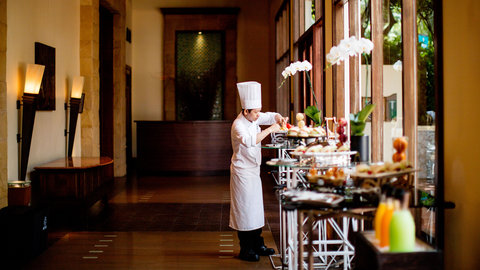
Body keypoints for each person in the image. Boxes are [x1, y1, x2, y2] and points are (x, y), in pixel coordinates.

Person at [229, 81, 287, 262]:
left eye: (258, 111)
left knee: (255, 210)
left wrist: (278, 118)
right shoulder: (239, 124)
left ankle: (258, 244)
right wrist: (271, 130)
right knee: (245, 211)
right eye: (255, 112)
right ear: (245, 111)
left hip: (253, 171)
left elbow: (270, 116)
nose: (258, 115)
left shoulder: (254, 117)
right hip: (242, 172)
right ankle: (246, 249)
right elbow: (250, 141)